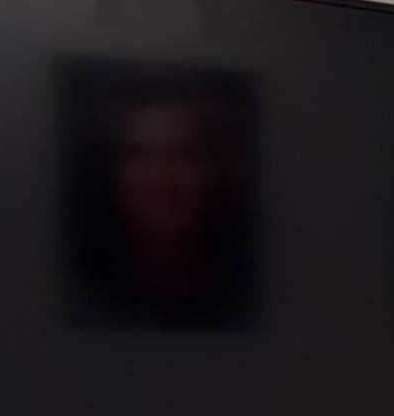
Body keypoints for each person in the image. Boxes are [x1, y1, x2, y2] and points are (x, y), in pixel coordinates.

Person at [66, 69, 256, 328]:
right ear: (111, 170)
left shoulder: (242, 283)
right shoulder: (81, 290)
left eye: (183, 154)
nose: (161, 177)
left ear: (214, 171)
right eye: (139, 155)